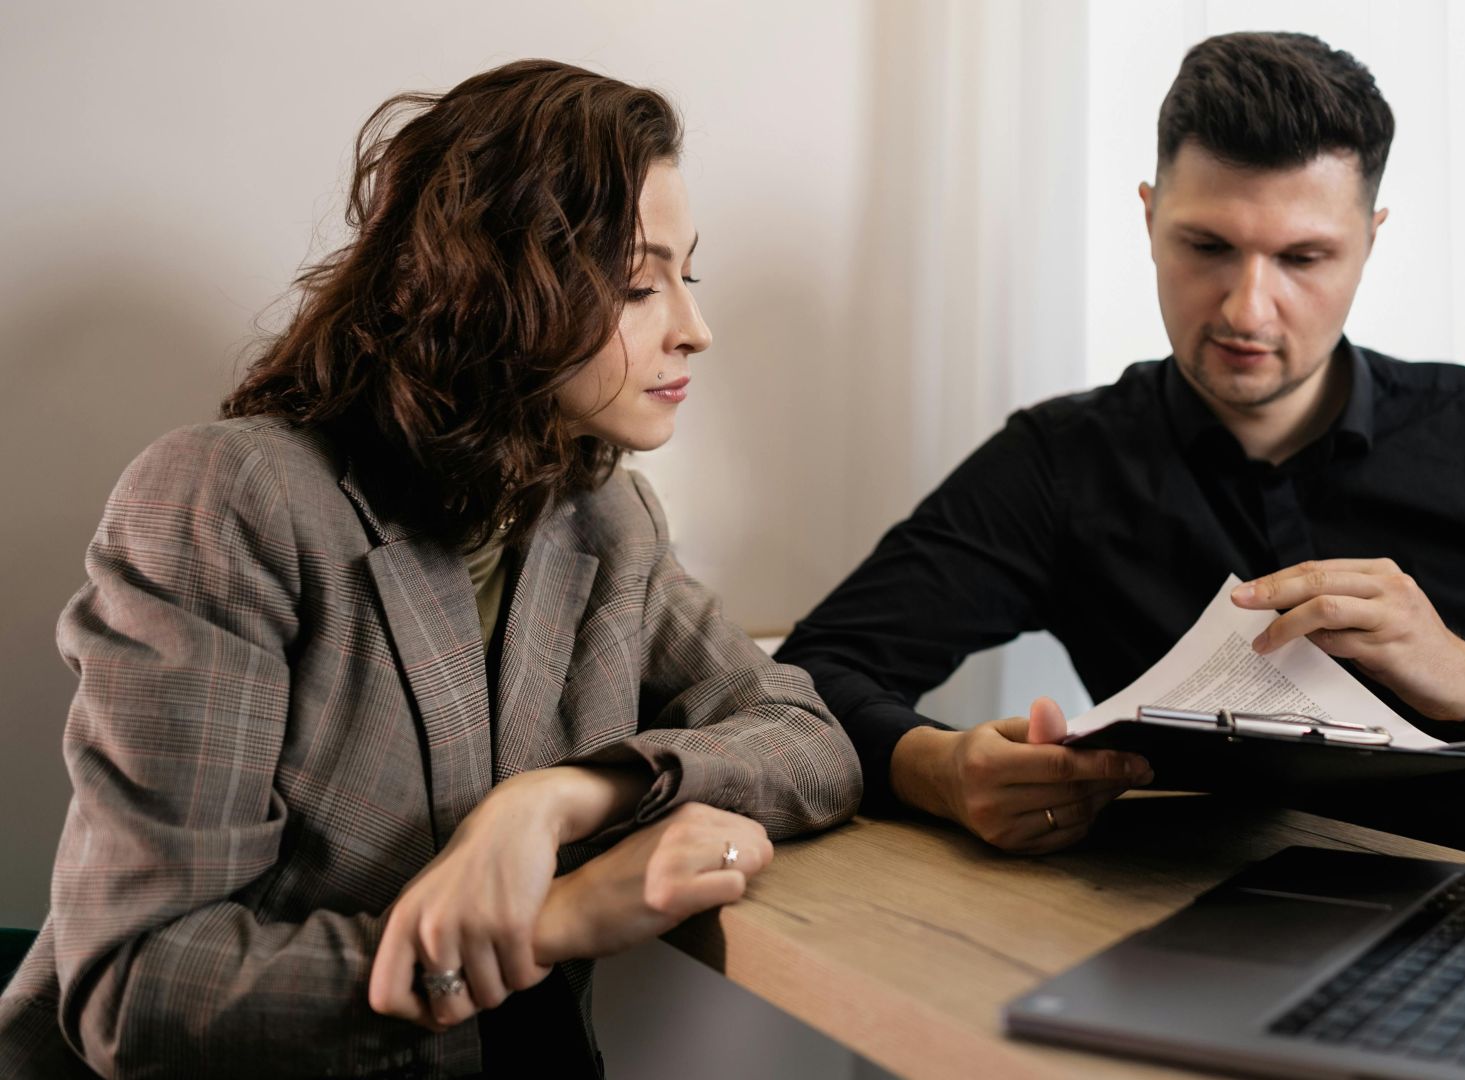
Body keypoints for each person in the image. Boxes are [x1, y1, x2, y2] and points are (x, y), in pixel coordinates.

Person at [0, 60, 860, 1078]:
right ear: (498, 287)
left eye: (688, 274)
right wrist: (553, 921)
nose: (694, 328)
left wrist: (556, 801)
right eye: (637, 282)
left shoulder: (602, 517)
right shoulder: (230, 502)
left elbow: (805, 738)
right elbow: (138, 988)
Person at [776, 31, 1465, 872]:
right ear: (1149, 218)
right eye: (1207, 246)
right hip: (1191, 941)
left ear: (1369, 243)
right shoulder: (1062, 464)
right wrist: (936, 768)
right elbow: (807, 679)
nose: (1246, 310)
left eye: (1303, 259)